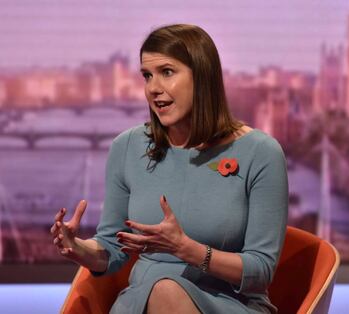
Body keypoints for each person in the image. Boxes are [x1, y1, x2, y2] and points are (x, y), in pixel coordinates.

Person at [51, 24, 288, 313]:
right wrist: (79, 249)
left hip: (229, 303)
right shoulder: (127, 146)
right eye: (147, 76)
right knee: (161, 292)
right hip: (141, 300)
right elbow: (112, 249)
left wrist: (186, 249)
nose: (153, 88)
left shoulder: (261, 153)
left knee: (167, 292)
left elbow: (261, 269)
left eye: (167, 72)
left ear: (202, 77)